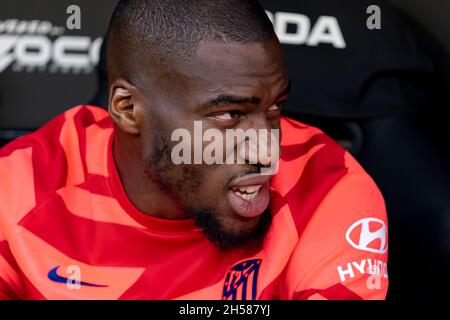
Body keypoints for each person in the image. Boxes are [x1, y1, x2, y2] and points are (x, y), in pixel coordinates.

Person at [0, 0, 388, 299]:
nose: (265, 148)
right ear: (127, 109)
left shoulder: (325, 185)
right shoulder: (20, 188)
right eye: (229, 115)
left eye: (273, 108)